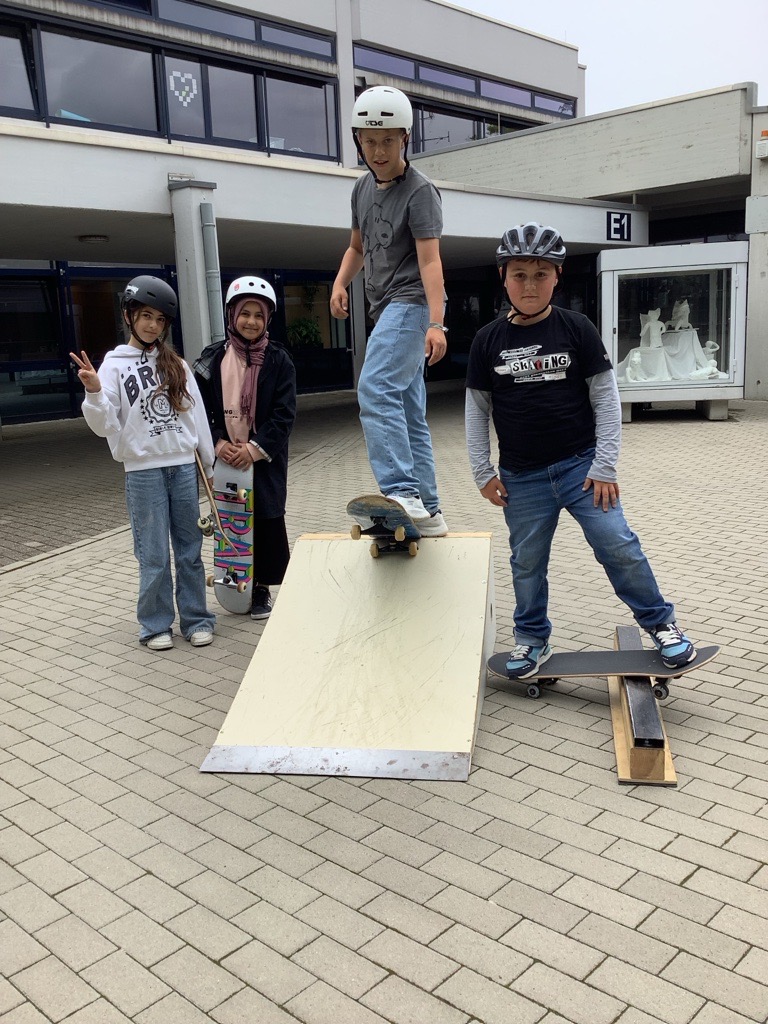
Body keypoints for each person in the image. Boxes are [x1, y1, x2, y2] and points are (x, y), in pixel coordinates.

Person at [465, 222, 697, 678]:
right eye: (519, 275)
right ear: (503, 277)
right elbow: (476, 411)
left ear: (557, 276)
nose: (529, 285)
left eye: (540, 274)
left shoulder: (577, 328)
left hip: (583, 471)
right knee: (526, 563)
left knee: (618, 544)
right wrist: (482, 472)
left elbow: (606, 400)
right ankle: (532, 639)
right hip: (521, 479)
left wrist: (605, 465)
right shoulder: (487, 340)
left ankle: (661, 624)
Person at [71, 275, 216, 651]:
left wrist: (209, 464)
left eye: (160, 319)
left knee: (189, 550)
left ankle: (197, 619)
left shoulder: (176, 364)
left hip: (183, 468)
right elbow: (104, 425)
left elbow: (197, 418)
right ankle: (154, 626)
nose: (153, 325)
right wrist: (94, 392)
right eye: (146, 316)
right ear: (128, 316)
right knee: (153, 554)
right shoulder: (113, 366)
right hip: (142, 471)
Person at [330, 85, 448, 537]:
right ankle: (428, 510)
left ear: (405, 139)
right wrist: (340, 282)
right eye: (369, 141)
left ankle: (400, 491)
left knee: (375, 388)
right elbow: (357, 247)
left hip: (411, 304)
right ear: (358, 141)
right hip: (386, 310)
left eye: (387, 141)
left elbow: (430, 262)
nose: (378, 152)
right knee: (408, 410)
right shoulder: (361, 189)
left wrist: (436, 323)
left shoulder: (420, 192)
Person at [194, 275, 296, 619]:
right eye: (245, 314)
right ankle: (233, 583)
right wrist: (218, 443)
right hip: (225, 459)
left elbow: (284, 414)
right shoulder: (211, 359)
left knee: (265, 521)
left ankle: (261, 589)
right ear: (231, 315)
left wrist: (253, 449)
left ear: (268, 319)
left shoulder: (279, 360)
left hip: (263, 460)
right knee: (233, 522)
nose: (251, 322)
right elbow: (196, 410)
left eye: (258, 315)